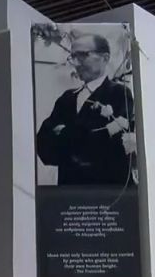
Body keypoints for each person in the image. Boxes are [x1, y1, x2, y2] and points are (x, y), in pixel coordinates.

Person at [36, 33, 137, 186]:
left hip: (106, 191)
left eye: (82, 55)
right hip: (68, 191)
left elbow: (106, 149)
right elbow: (44, 148)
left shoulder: (119, 93)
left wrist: (63, 134)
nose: (76, 63)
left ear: (105, 58)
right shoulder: (67, 98)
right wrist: (89, 136)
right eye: (73, 57)